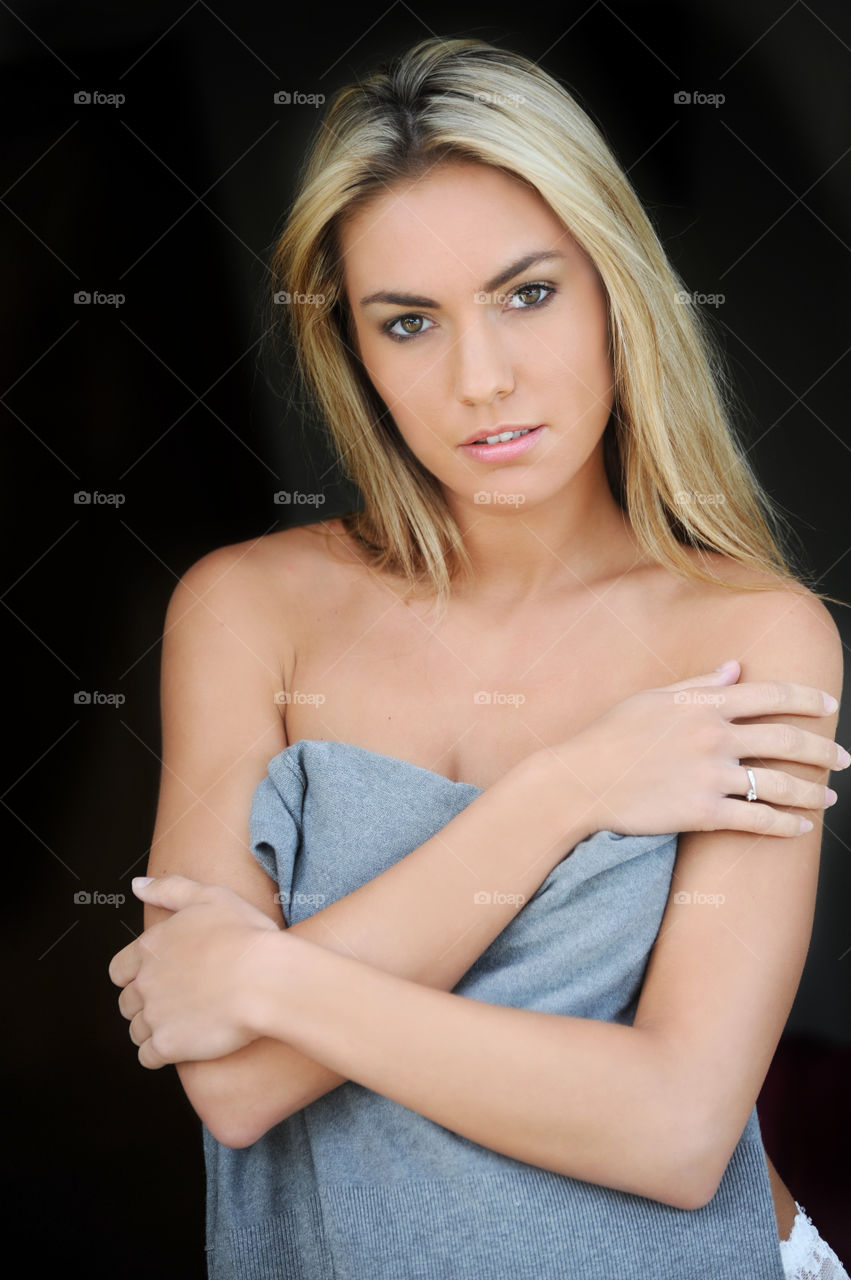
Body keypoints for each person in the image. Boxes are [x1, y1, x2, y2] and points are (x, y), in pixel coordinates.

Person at [109, 36, 850, 1280]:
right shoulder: (247, 609)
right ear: (352, 349)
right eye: (408, 321)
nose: (481, 379)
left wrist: (266, 978)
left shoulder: (750, 632)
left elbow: (673, 1127)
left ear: (616, 287)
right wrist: (566, 793)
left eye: (526, 293)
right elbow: (231, 1087)